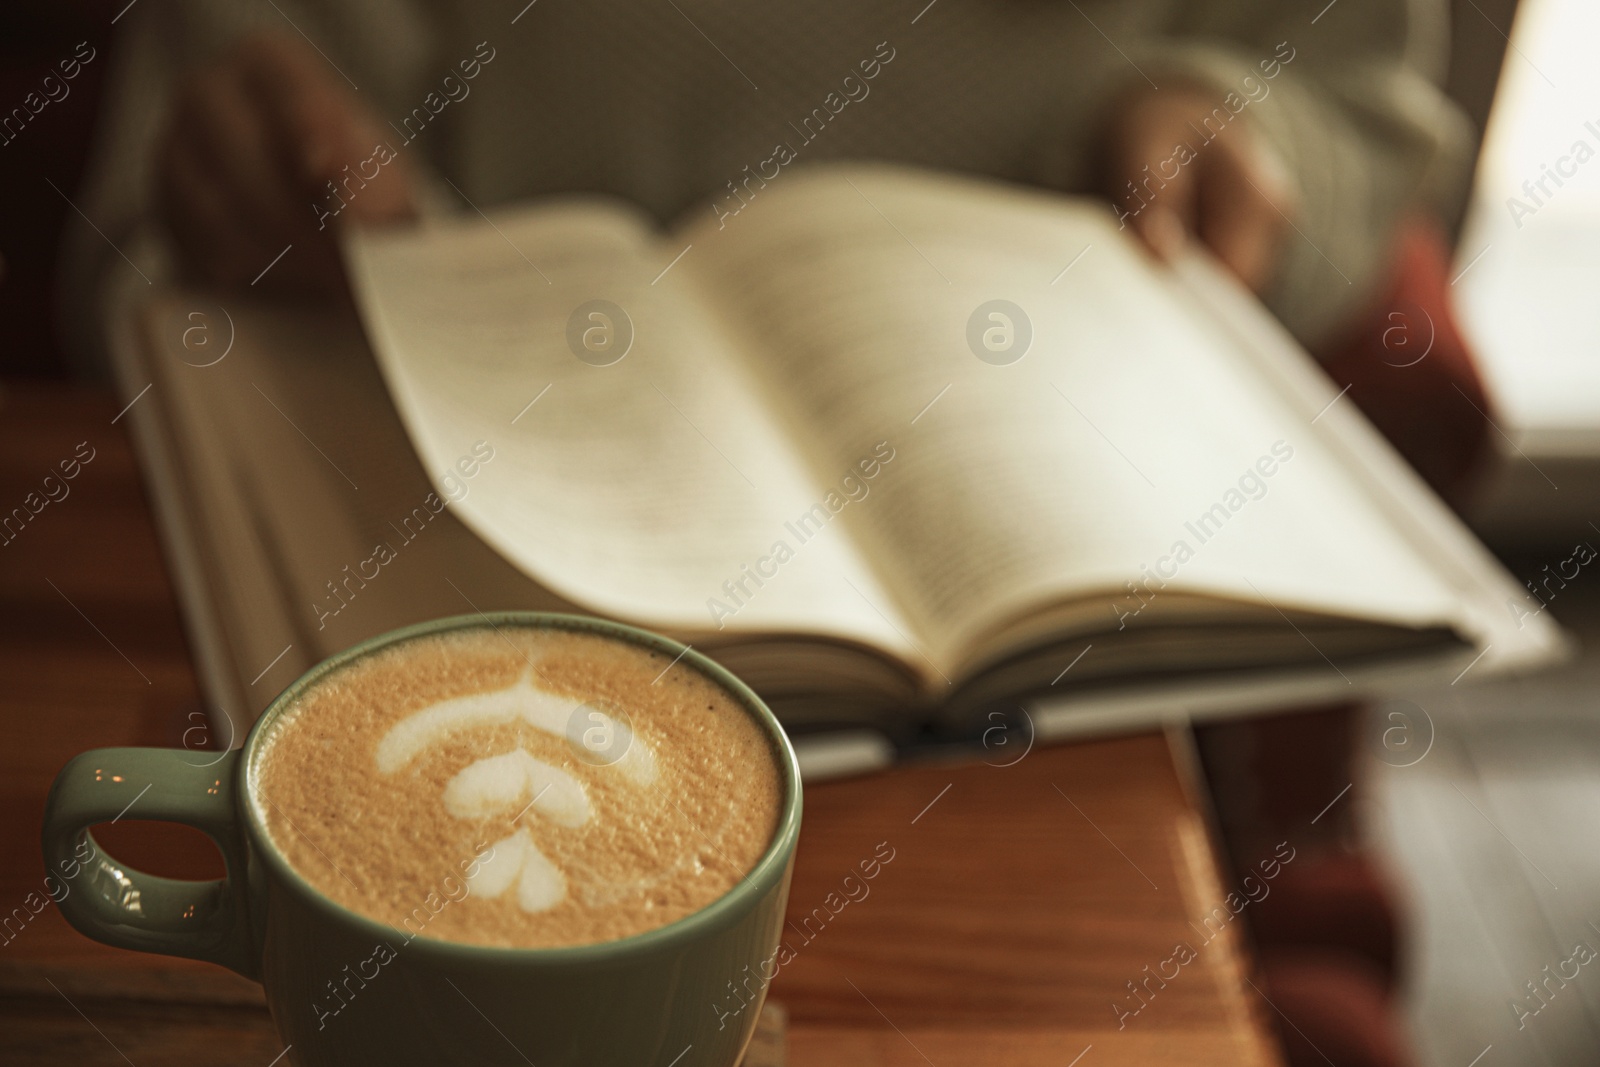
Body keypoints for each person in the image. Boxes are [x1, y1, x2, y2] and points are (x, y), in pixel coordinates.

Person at [64, 3, 1477, 1063]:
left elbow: (1359, 98)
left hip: (1075, 684)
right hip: (434, 495)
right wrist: (236, 195)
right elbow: (136, 221)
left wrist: (1245, 125)